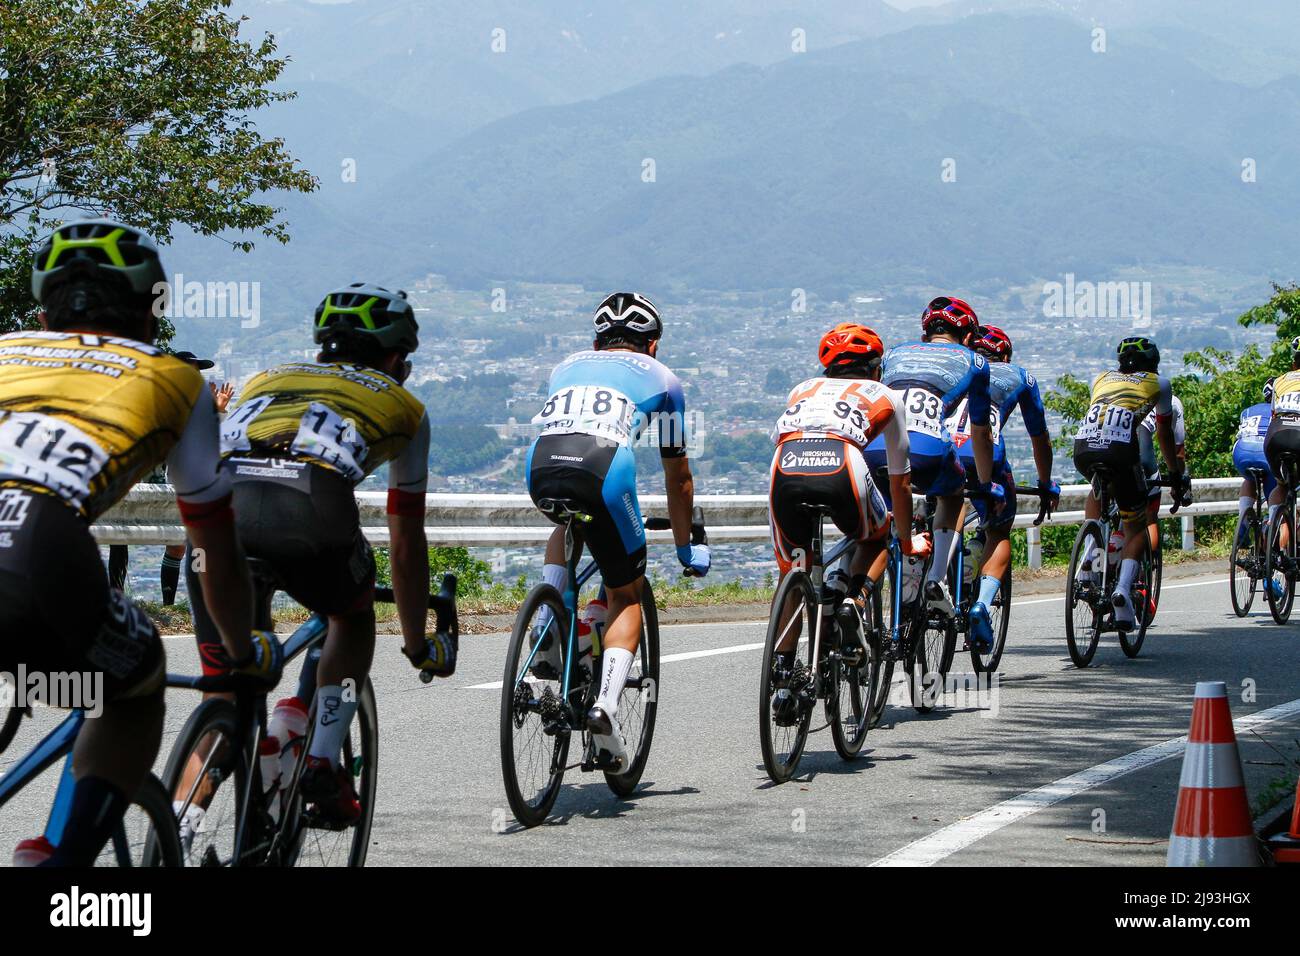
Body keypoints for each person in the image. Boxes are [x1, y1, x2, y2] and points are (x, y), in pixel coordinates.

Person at [0, 218, 269, 866]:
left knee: (53, 675)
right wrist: (241, 651)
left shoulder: (6, 348)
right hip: (37, 551)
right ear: (153, 317)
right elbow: (214, 551)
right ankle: (61, 870)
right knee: (137, 680)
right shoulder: (177, 380)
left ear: (41, 313)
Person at [185, 282, 443, 826]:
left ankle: (177, 827)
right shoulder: (407, 408)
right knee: (351, 618)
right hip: (309, 512)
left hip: (219, 519)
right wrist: (418, 641)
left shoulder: (268, 377)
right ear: (398, 357)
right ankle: (323, 759)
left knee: (226, 702)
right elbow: (405, 540)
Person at [526, 291, 708, 771]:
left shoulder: (565, 366)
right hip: (604, 469)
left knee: (569, 523)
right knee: (627, 592)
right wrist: (687, 547)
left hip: (542, 465)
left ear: (597, 341)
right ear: (652, 345)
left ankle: (547, 613)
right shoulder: (665, 380)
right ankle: (605, 705)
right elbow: (678, 475)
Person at [767, 323, 931, 723]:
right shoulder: (887, 395)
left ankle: (785, 672)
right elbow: (901, 479)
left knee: (796, 569)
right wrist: (908, 541)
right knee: (878, 536)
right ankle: (853, 603)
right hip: (843, 461)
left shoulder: (801, 390)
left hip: (785, 466)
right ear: (876, 367)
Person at [865, 296, 1000, 615]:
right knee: (953, 496)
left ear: (925, 335)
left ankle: (859, 589)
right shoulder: (975, 361)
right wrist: (982, 482)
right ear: (968, 338)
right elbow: (980, 430)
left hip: (874, 446)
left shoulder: (896, 353)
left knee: (883, 515)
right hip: (927, 449)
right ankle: (936, 579)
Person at [1072, 336, 1188, 631]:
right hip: (1121, 452)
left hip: (1084, 448)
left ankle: (1090, 553)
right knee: (1136, 524)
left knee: (1097, 490)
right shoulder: (1160, 385)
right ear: (1154, 364)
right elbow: (1163, 434)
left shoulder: (1099, 377)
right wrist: (1174, 474)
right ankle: (1122, 591)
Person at [960, 325, 1059, 650]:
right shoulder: (1020, 377)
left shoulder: (955, 365)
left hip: (942, 453)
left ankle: (938, 574)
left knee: (948, 504)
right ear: (1004, 355)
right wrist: (1045, 483)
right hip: (987, 454)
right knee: (999, 533)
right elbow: (1039, 438)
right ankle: (982, 605)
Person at [1264, 339, 1300, 561]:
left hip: (1275, 435)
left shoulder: (1279, 381)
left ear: (1294, 362)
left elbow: (1274, 414)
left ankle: (1271, 533)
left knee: (1280, 484)